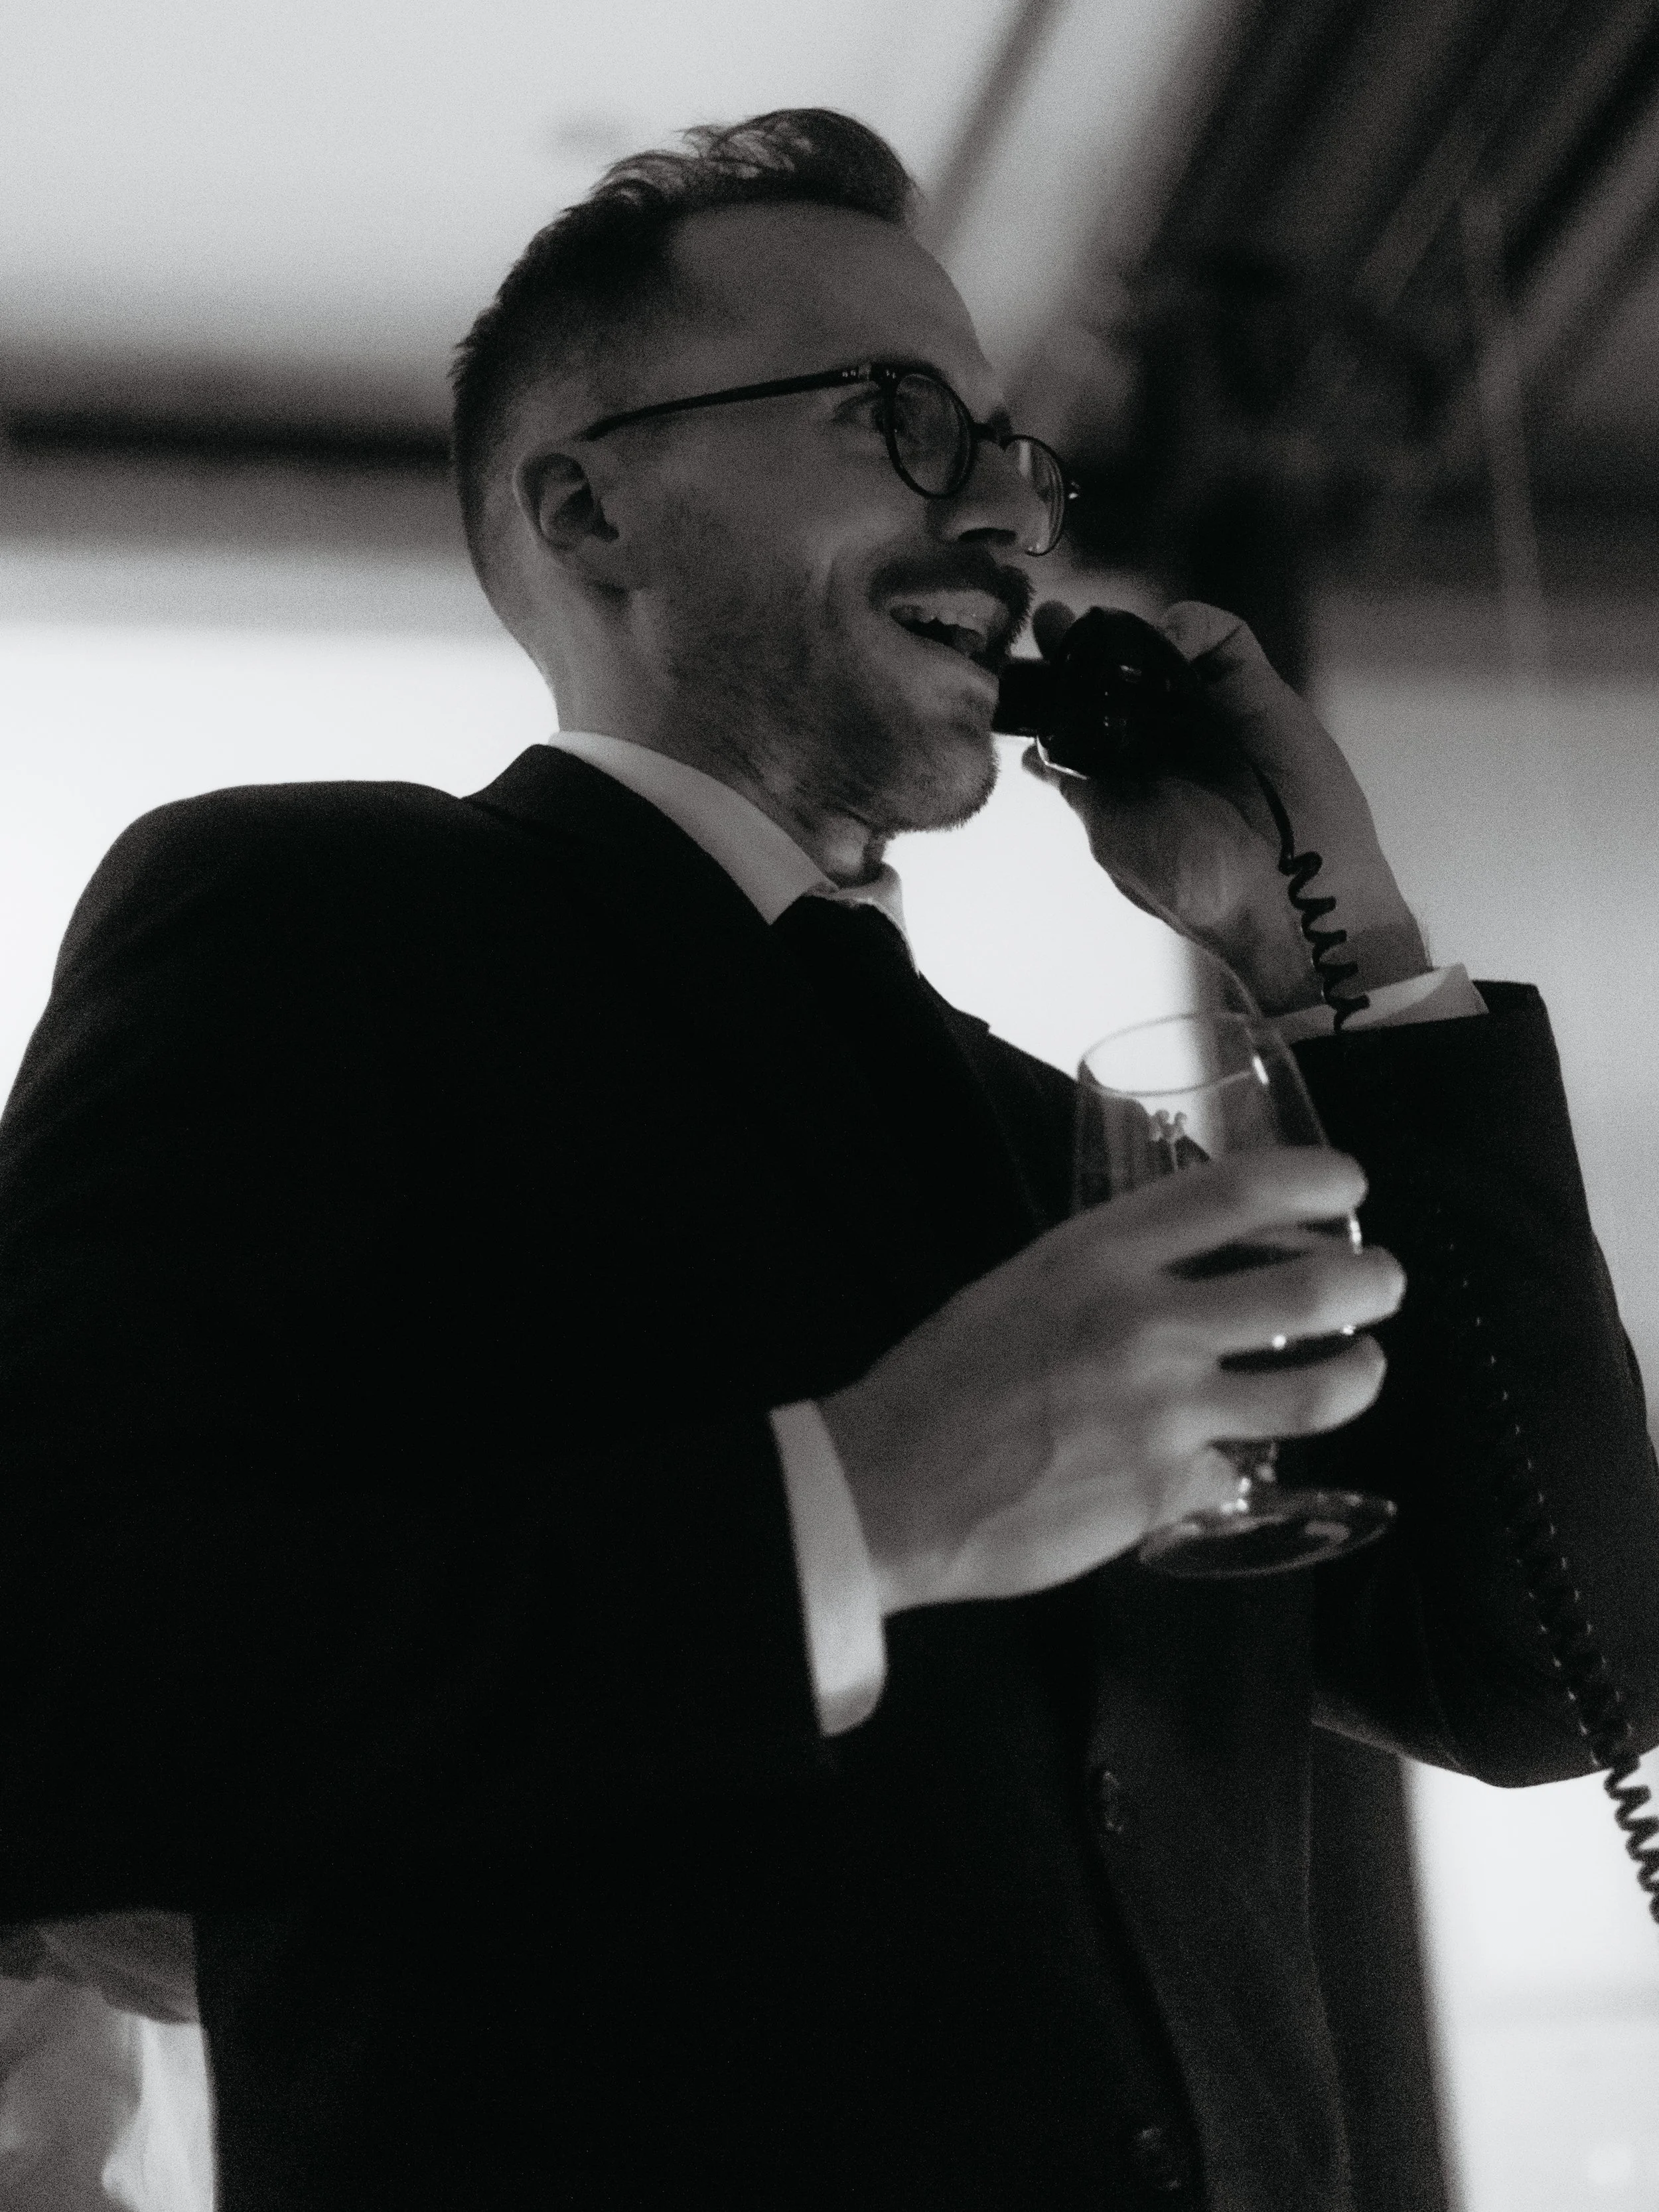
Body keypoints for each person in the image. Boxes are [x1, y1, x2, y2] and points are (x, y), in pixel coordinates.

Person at [0, 108, 1655, 2212]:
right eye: (898, 420)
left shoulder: (1081, 1154)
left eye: (1012, 453)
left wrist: (1344, 949)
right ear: (588, 504)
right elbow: (55, 1683)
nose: (1004, 513)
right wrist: (861, 1507)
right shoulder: (314, 920)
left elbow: (1547, 1670)